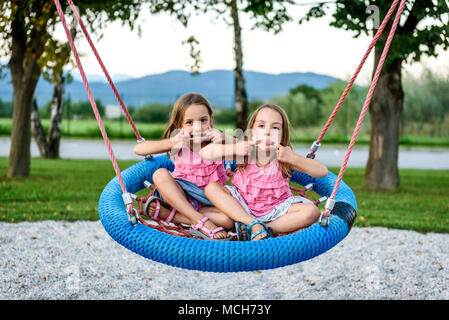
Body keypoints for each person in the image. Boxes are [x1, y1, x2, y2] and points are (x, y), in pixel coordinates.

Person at [200, 104, 328, 240]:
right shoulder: (245, 150)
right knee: (212, 188)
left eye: (275, 128)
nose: (267, 132)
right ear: (252, 131)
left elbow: (321, 171)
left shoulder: (284, 157)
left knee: (311, 211)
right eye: (261, 126)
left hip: (277, 210)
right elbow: (205, 153)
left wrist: (293, 158)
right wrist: (234, 149)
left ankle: (265, 228)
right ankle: (251, 223)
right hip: (241, 205)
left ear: (283, 135)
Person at [134, 93, 234, 240]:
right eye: (189, 123)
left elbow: (246, 149)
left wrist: (225, 137)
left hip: (207, 201)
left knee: (228, 220)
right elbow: (139, 149)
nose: (198, 127)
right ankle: (199, 221)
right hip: (179, 197)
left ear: (211, 120)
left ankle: (171, 216)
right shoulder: (179, 143)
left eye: (203, 120)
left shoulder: (218, 143)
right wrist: (173, 142)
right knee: (160, 174)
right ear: (178, 125)